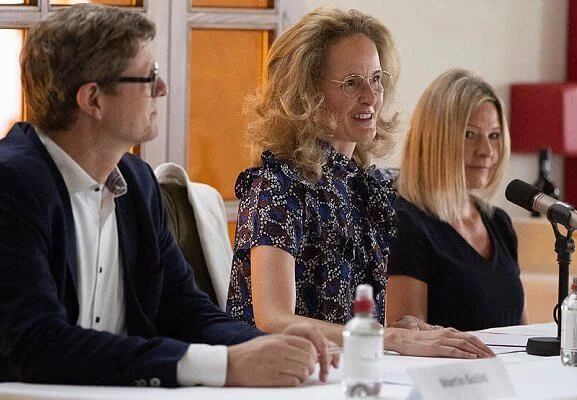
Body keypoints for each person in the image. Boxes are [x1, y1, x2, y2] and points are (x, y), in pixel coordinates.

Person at [0, 4, 338, 387]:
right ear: (93, 99)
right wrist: (223, 365)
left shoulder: (138, 182)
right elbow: (37, 345)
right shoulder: (11, 184)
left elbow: (185, 310)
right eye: (148, 77)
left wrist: (270, 347)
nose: (161, 89)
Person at [226, 7, 494, 359]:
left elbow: (355, 320)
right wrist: (391, 339)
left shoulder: (365, 186)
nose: (371, 96)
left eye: (377, 78)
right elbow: (272, 319)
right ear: (307, 94)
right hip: (283, 377)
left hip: (349, 374)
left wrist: (402, 327)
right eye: (352, 82)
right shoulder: (275, 185)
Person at [386, 69, 528, 332]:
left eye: (494, 136)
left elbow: (521, 332)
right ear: (435, 138)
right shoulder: (406, 225)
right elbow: (407, 344)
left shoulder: (500, 223)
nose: (486, 151)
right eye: (470, 134)